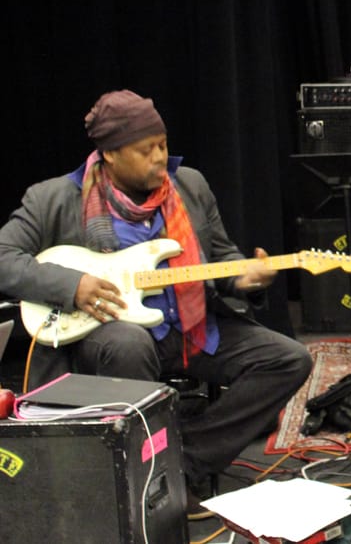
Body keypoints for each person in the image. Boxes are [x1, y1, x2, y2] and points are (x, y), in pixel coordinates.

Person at [0, 90, 313, 519]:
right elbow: (3, 258)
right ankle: (148, 479)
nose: (160, 157)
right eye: (146, 150)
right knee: (129, 345)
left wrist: (245, 278)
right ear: (109, 154)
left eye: (163, 145)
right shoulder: (52, 198)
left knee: (289, 359)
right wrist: (73, 286)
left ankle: (182, 462)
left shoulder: (190, 186)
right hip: (112, 336)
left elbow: (222, 257)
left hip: (194, 327)